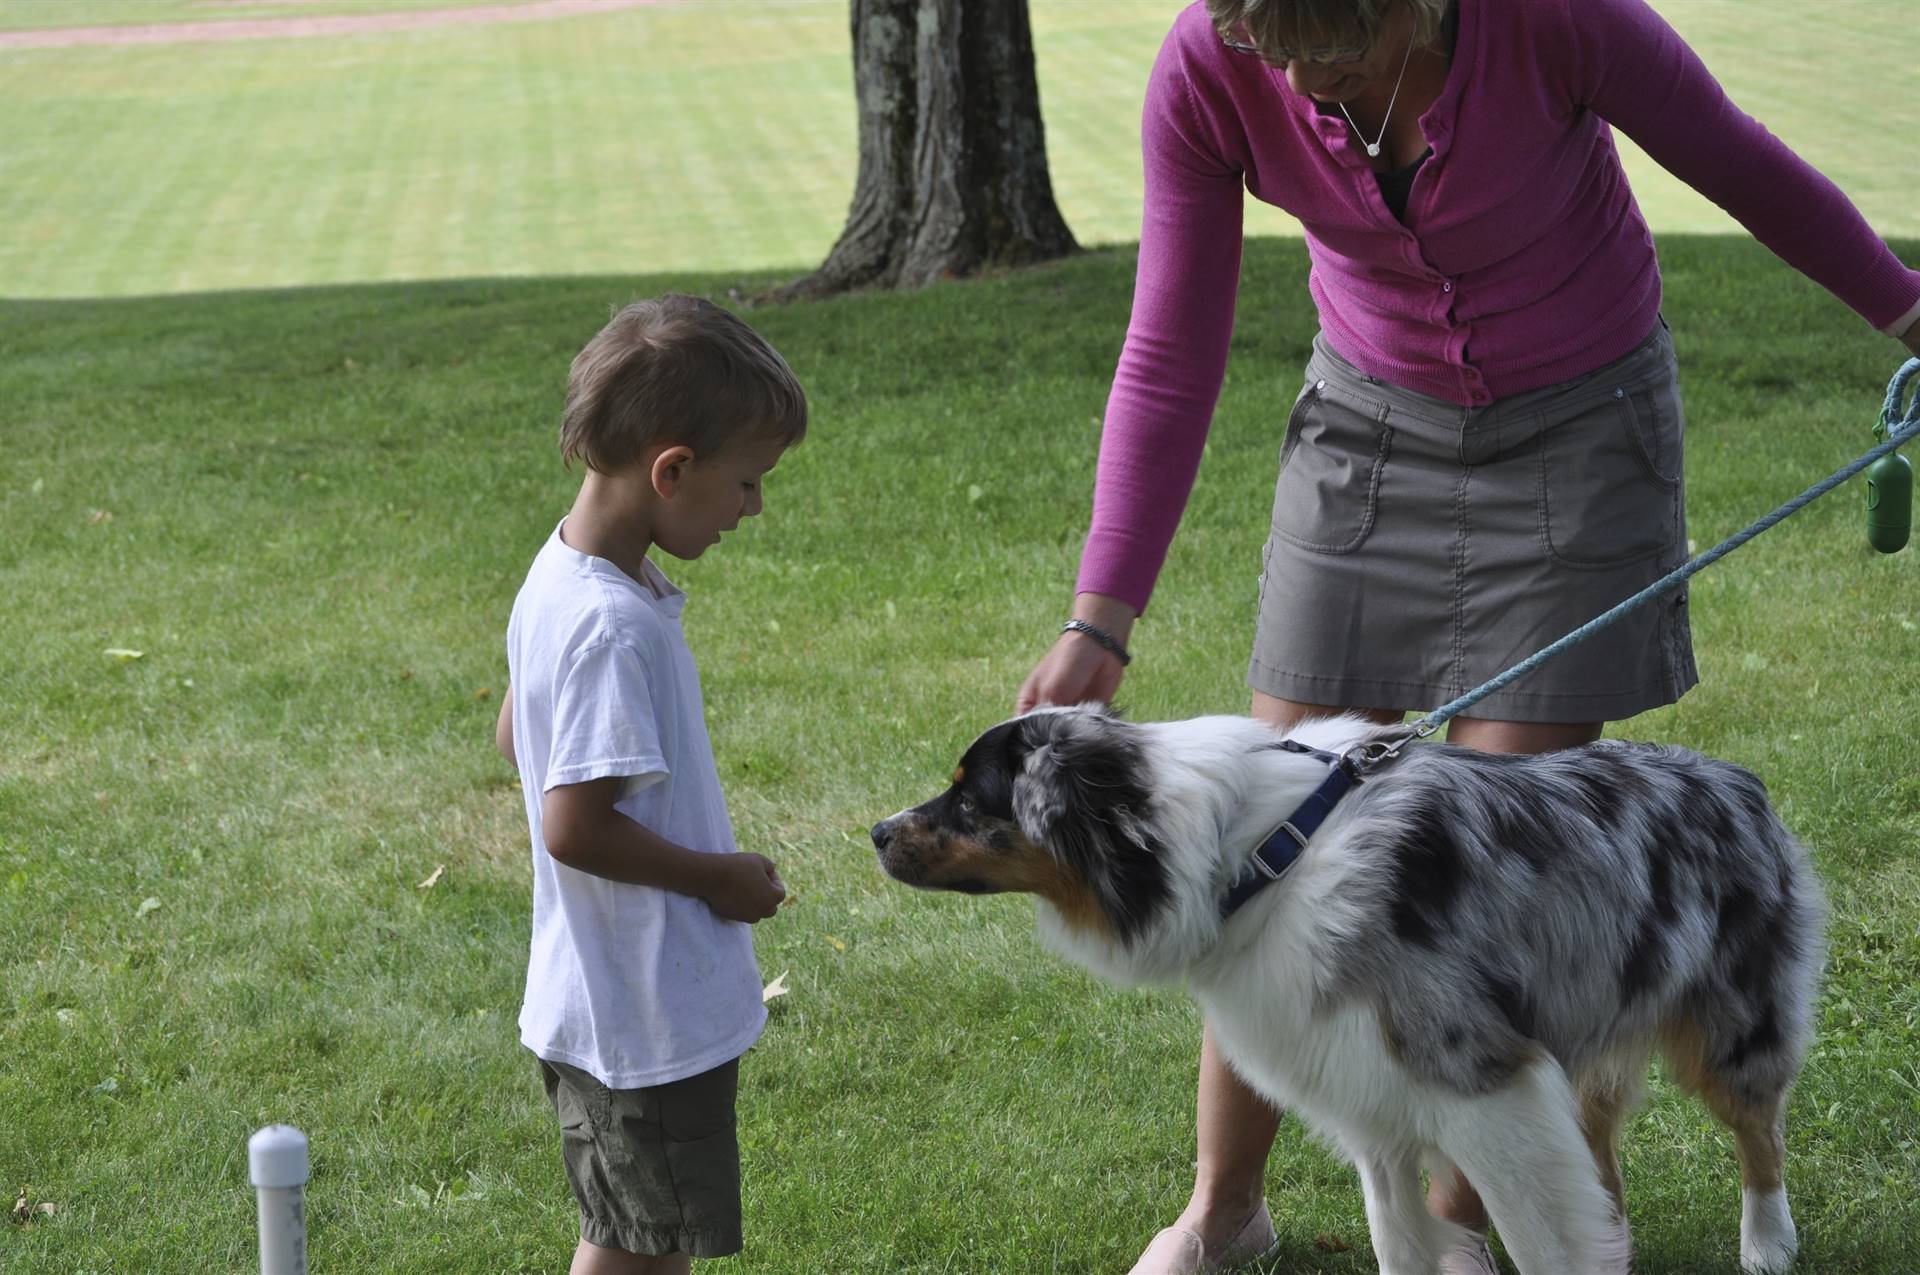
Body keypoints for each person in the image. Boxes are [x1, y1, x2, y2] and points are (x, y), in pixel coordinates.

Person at [1016, 0, 1920, 1272]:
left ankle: (1458, 1228)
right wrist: (1100, 616)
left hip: (1579, 425)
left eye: (1330, 42)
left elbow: (1737, 156)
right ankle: (1224, 1212)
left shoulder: (1553, 20)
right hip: (1369, 426)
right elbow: (1171, 342)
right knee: (1267, 840)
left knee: (1484, 846)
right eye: (1273, 45)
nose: (1302, 76)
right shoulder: (1214, 66)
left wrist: (1911, 316)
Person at [494, 294, 807, 1275]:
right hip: (641, 1011)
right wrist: (718, 878)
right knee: (635, 1254)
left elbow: (515, 731)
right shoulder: (609, 626)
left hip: (600, 996)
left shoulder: (566, 574)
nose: (755, 508)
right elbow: (575, 828)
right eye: (748, 484)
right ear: (671, 471)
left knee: (642, 1239)